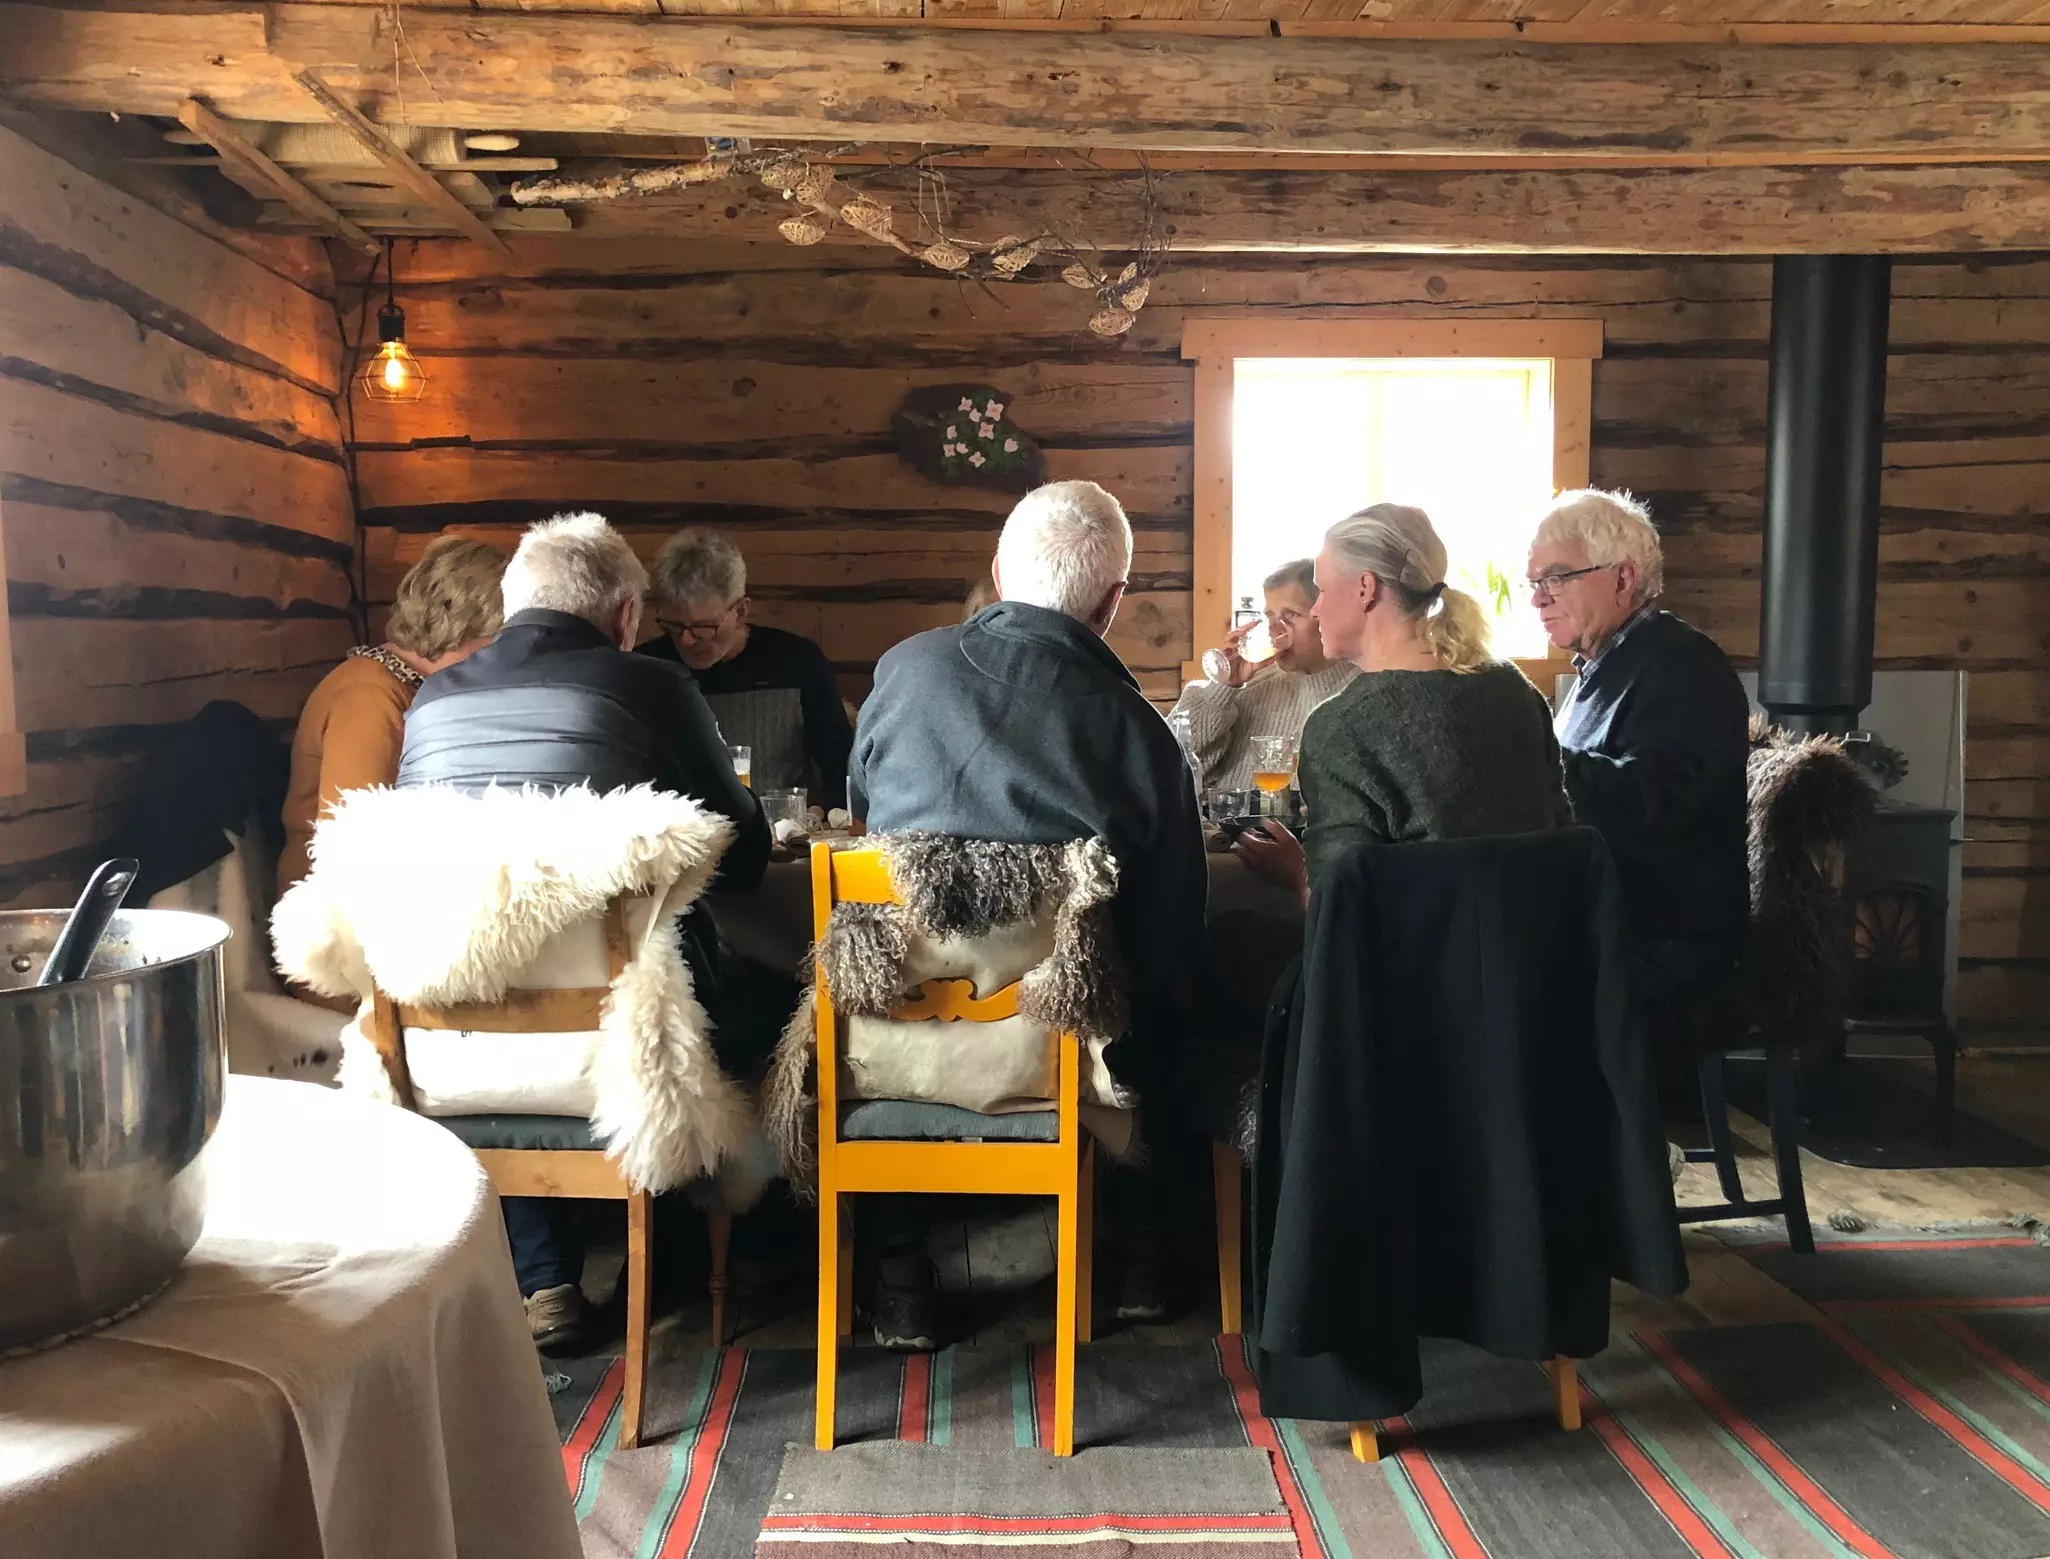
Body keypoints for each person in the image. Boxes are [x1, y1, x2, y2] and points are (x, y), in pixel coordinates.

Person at [396, 511, 774, 1349]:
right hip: (622, 1048)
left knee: (514, 983)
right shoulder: (649, 685)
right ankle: (680, 1256)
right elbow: (746, 857)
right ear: (628, 617)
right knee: (759, 1003)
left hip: (457, 1045)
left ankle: (547, 1277)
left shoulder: (430, 700)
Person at [848, 479, 1207, 1347]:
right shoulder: (1139, 731)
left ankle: (899, 1283)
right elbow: (1171, 938)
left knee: (875, 995)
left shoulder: (902, 672)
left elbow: (864, 835)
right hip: (1060, 1050)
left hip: (891, 1037)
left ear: (1001, 571)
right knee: (1166, 1002)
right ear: (1114, 602)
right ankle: (1142, 1260)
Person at [1238, 504, 1569, 904]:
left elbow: (1337, 914)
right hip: (1538, 954)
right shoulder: (1516, 691)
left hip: (1409, 964)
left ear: (1366, 588)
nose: (1316, 609)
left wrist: (1295, 873)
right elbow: (1562, 839)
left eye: (1321, 590)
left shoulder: (1342, 727)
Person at [1529, 489, 1750, 1033]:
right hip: (1603, 918)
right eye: (1533, 583)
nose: (1538, 599)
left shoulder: (1683, 664)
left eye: (1556, 578)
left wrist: (1527, 760)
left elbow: (1657, 805)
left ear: (1623, 578)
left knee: (1478, 972)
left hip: (1664, 938)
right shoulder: (1597, 669)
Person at [278, 536, 506, 896]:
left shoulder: (405, 686)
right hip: (334, 923)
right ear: (467, 624)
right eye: (503, 638)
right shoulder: (371, 697)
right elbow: (352, 845)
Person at [639, 527, 854, 808]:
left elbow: (838, 765)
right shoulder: (647, 670)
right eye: (674, 626)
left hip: (779, 840)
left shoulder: (796, 663)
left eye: (704, 627)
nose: (687, 640)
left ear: (740, 612)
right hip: (679, 839)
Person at [1169, 558, 1357, 794]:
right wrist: (1223, 687)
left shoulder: (1362, 691)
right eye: (1269, 615)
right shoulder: (1255, 683)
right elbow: (1169, 762)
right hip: (1225, 828)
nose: (1274, 628)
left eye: (1290, 615)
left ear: (1327, 615)